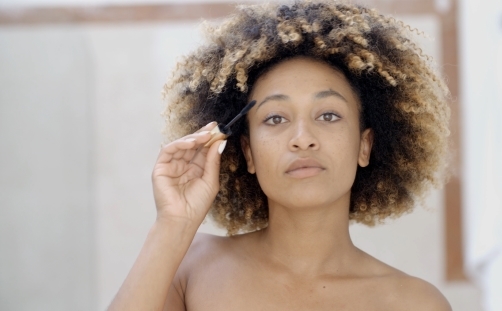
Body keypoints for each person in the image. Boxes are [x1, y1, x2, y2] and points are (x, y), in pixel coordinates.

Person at [109, 1, 451, 310]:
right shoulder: (190, 266)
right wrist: (173, 225)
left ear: (364, 145)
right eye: (276, 118)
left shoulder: (414, 302)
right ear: (248, 152)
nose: (302, 140)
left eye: (328, 115)